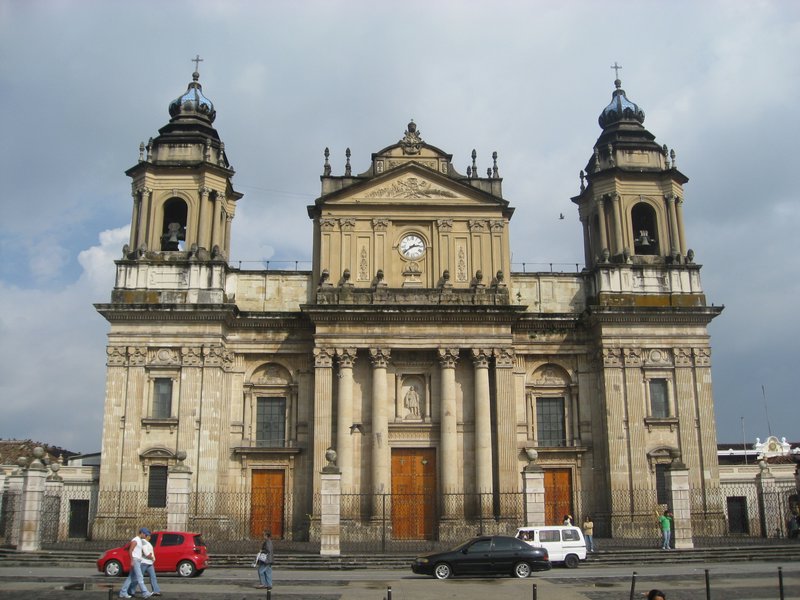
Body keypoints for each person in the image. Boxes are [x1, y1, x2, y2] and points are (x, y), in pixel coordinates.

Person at [119, 527, 152, 599]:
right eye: (145, 535)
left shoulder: (139, 540)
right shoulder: (136, 540)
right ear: (142, 533)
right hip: (135, 560)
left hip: (137, 560)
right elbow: (130, 550)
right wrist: (132, 560)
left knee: (131, 578)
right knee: (140, 577)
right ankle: (145, 593)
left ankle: (123, 592)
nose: (146, 536)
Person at [140, 531, 161, 597]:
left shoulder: (147, 542)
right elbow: (146, 553)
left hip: (149, 563)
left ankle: (156, 591)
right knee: (139, 577)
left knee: (153, 577)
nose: (150, 537)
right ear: (146, 536)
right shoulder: (143, 541)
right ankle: (130, 590)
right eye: (149, 536)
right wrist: (151, 557)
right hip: (144, 562)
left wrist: (152, 558)